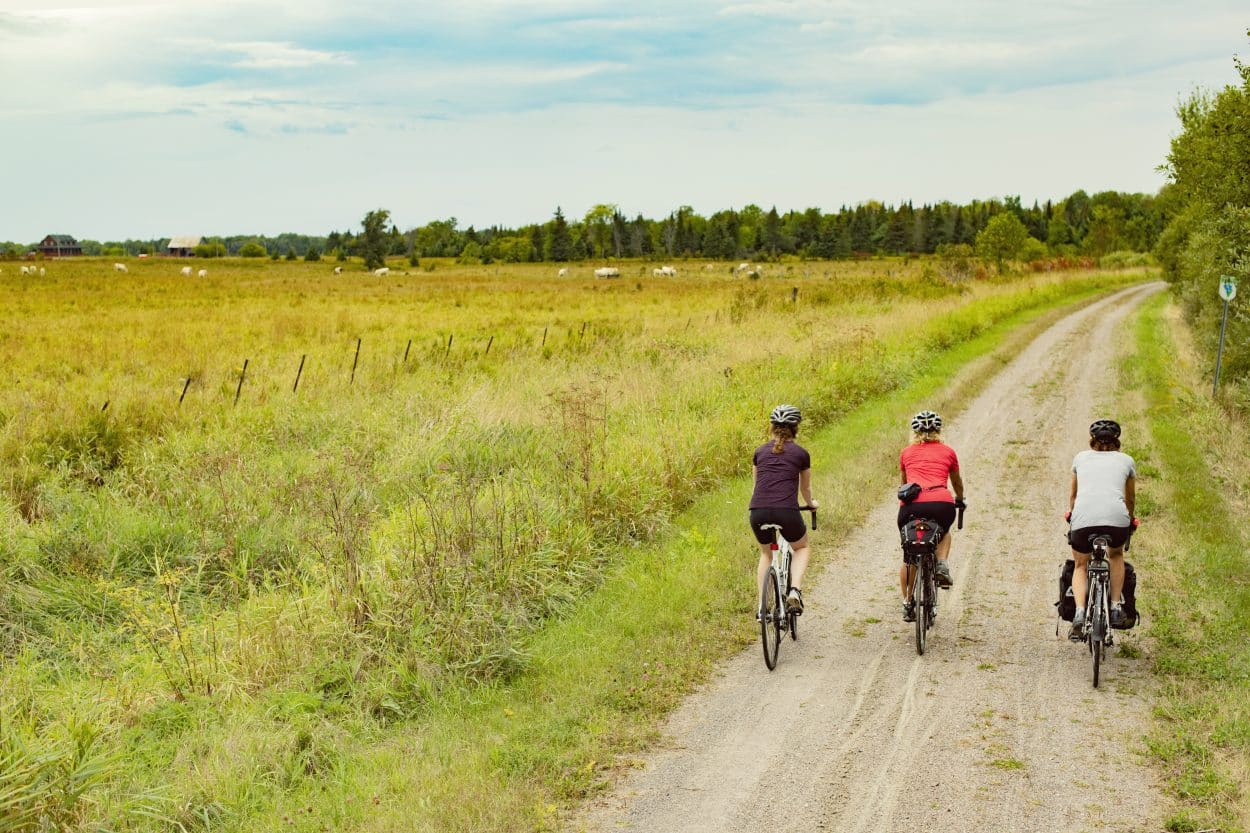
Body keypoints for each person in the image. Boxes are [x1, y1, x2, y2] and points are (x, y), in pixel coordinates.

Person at [1067, 419, 1136, 640]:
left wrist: (1072, 515)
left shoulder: (1080, 458)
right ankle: (1115, 606)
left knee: (1080, 563)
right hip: (1116, 519)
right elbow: (1130, 499)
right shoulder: (1126, 460)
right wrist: (1130, 519)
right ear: (1117, 441)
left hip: (1083, 517)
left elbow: (1074, 497)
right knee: (1115, 555)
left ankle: (1079, 613)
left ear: (1092, 441)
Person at [898, 410, 965, 622]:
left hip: (911, 505)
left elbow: (904, 483)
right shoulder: (948, 452)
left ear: (914, 432)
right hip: (941, 503)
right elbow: (956, 481)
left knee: (909, 553)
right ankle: (942, 563)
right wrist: (960, 499)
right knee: (944, 531)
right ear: (938, 431)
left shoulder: (906, 453)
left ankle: (908, 602)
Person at [750, 404, 817, 615]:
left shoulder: (759, 452)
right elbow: (804, 489)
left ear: (772, 427)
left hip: (758, 511)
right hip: (786, 512)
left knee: (767, 554)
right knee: (802, 547)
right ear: (795, 428)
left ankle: (763, 607)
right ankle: (794, 591)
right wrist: (812, 504)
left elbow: (756, 487)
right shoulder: (801, 454)